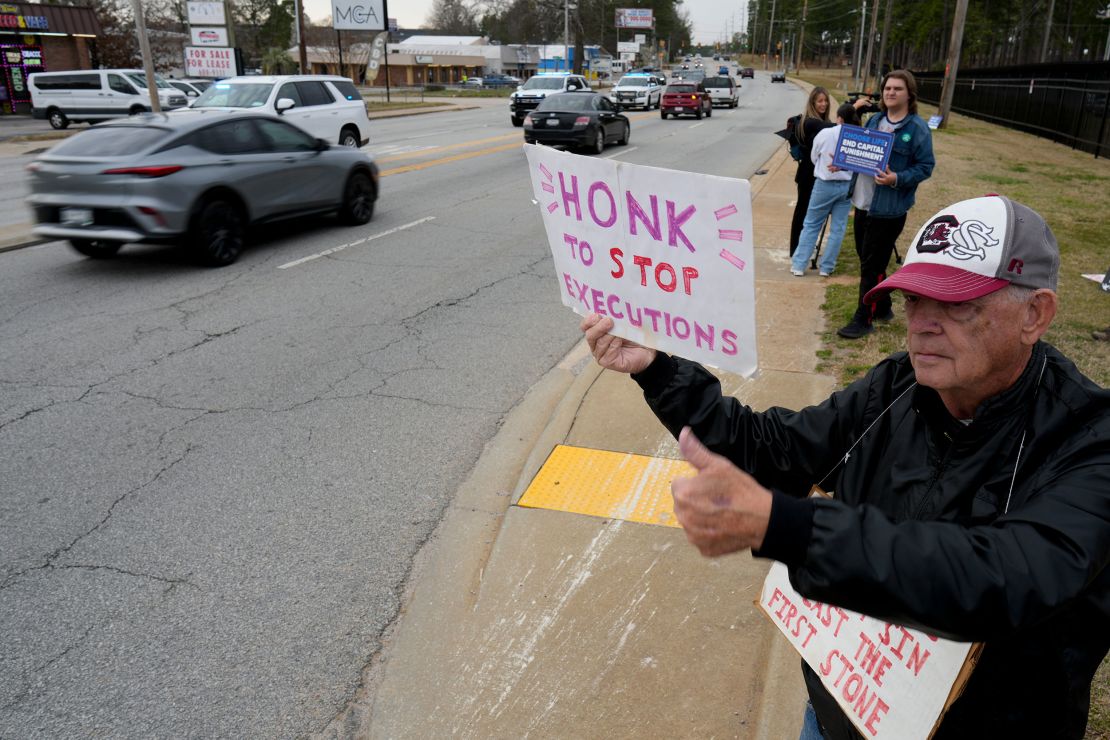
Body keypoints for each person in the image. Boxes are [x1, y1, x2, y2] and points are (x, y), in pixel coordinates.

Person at [581, 195, 1110, 738]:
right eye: (913, 298)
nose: (923, 324)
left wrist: (790, 528)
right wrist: (656, 369)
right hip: (842, 711)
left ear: (1034, 314)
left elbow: (1001, 576)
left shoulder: (1088, 438)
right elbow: (774, 449)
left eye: (957, 305)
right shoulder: (899, 385)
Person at [837, 70, 935, 339]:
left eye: (897, 89)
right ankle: (882, 305)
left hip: (889, 209)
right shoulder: (875, 120)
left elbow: (925, 166)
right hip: (863, 202)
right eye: (887, 88)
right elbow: (860, 153)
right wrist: (842, 161)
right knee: (867, 258)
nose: (891, 92)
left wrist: (896, 179)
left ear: (909, 94)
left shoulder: (916, 128)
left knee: (871, 264)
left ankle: (863, 318)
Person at [790, 102, 861, 277]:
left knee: (811, 224)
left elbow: (814, 156)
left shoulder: (826, 133)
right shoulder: (857, 137)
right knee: (838, 228)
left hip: (824, 184)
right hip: (845, 186)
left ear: (839, 118)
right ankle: (827, 267)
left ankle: (799, 264)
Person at [788, 87, 833, 258]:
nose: (823, 104)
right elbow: (834, 128)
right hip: (807, 175)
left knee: (813, 215)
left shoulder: (822, 121)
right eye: (820, 101)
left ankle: (805, 248)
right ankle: (795, 250)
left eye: (825, 100)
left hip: (818, 175)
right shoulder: (809, 122)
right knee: (802, 213)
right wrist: (854, 110)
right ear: (813, 103)